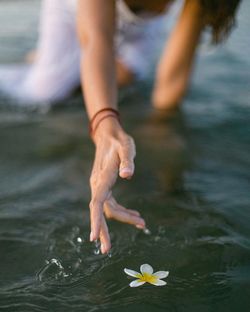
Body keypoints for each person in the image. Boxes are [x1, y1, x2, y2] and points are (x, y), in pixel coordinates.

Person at [0, 0, 241, 254]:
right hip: (78, 8)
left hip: (140, 26)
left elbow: (172, 82)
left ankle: (62, 64)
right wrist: (105, 126)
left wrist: (160, 128)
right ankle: (47, 65)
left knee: (122, 77)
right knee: (46, 93)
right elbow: (96, 40)